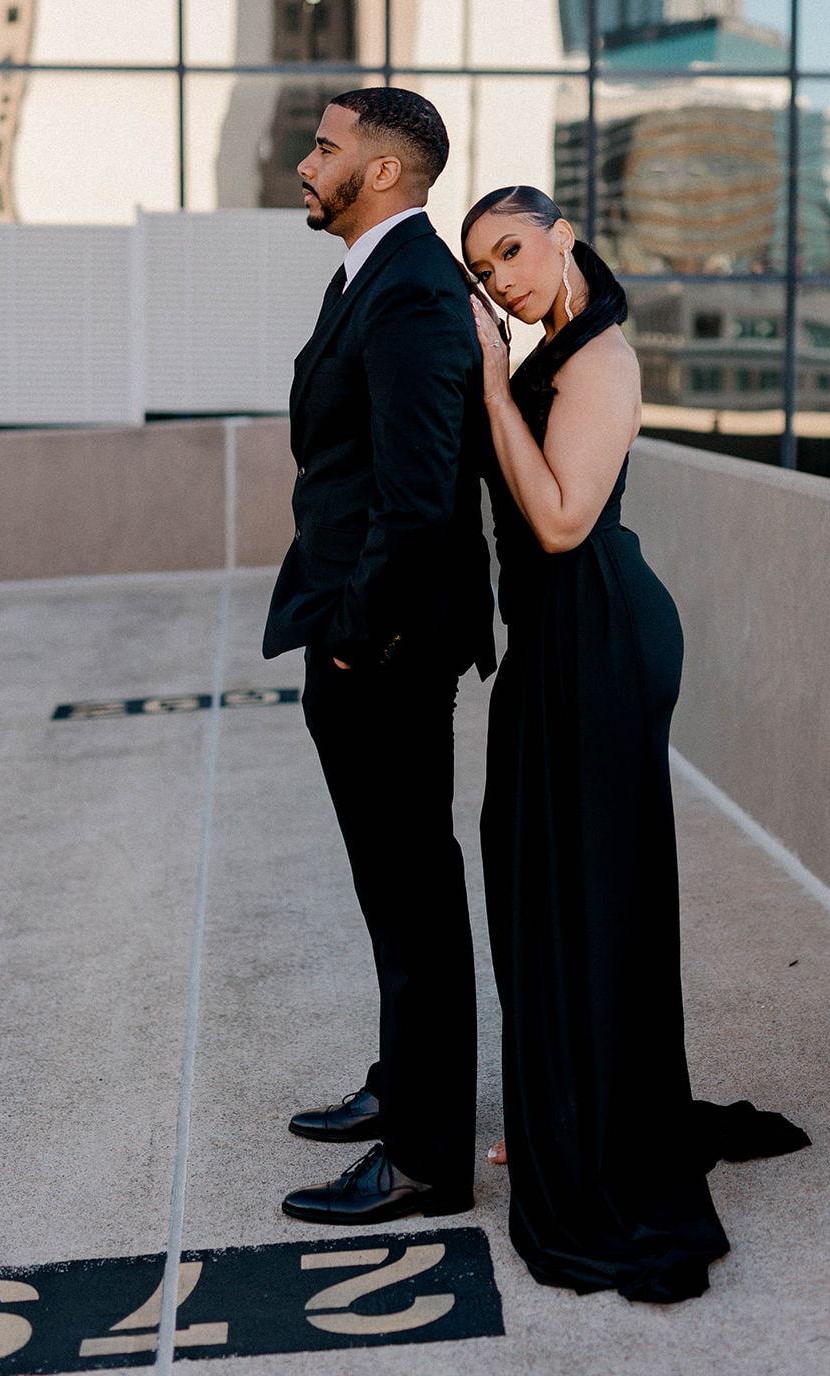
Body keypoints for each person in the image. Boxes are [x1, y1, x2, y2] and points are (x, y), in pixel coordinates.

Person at [461, 185, 810, 1303]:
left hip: (598, 636)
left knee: (591, 891)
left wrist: (487, 385)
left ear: (562, 235)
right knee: (540, 881)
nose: (501, 278)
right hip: (555, 639)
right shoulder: (554, 351)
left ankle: (596, 1125)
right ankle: (563, 1105)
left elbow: (562, 519)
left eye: (513, 250)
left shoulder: (599, 361)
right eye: (483, 270)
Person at [261, 89, 497, 1225]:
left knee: (414, 902)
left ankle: (425, 1161)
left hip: (386, 649)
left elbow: (418, 498)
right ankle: (405, 1087)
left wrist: (358, 642)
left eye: (325, 147)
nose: (307, 163)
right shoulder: (369, 276)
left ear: (386, 172)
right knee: (392, 894)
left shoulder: (410, 292)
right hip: (359, 632)